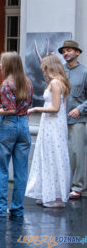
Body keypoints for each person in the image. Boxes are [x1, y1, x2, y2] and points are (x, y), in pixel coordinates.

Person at [0, 51, 33, 217]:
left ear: (8, 65)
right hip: (24, 126)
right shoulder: (28, 82)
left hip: (8, 127)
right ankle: (17, 208)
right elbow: (20, 105)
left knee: (1, 169)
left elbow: (11, 110)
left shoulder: (6, 84)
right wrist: (2, 104)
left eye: (1, 62)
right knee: (21, 171)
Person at [26, 54, 71, 207]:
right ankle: (49, 193)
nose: (42, 70)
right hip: (51, 124)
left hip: (53, 125)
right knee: (48, 157)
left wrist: (36, 108)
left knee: (54, 157)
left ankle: (56, 197)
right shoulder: (57, 82)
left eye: (44, 67)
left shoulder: (56, 83)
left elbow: (56, 108)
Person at [59, 40, 87, 199]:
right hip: (59, 120)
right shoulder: (59, 72)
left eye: (69, 50)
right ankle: (64, 185)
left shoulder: (84, 72)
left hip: (78, 120)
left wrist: (80, 109)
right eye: (63, 51)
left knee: (77, 153)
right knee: (63, 153)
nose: (66, 53)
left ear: (77, 52)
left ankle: (77, 187)